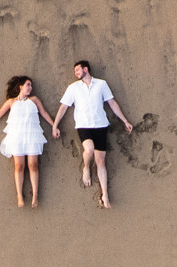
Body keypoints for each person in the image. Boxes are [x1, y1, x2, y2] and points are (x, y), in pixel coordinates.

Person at [0, 74, 61, 208]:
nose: (30, 88)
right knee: (19, 166)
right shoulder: (11, 102)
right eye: (28, 85)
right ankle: (20, 195)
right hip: (17, 136)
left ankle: (35, 195)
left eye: (31, 85)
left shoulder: (34, 100)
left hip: (32, 134)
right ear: (21, 87)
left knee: (33, 165)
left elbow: (44, 113)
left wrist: (54, 126)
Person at [55, 60, 132, 208]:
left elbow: (112, 103)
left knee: (101, 162)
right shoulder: (73, 88)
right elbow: (64, 107)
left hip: (101, 125)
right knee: (89, 149)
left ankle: (105, 195)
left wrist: (125, 120)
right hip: (84, 125)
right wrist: (55, 125)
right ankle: (86, 167)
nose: (76, 73)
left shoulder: (101, 84)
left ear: (86, 69)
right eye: (75, 71)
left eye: (78, 70)